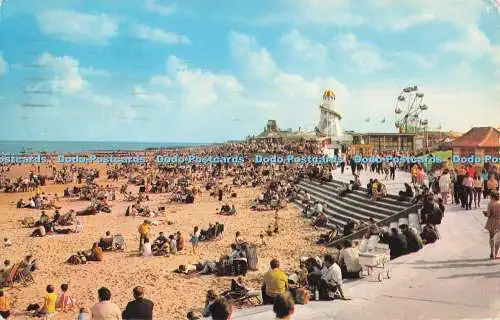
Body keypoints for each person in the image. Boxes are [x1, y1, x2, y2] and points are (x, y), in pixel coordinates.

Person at [484, 192, 500, 259]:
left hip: (491, 222)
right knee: (498, 239)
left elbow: (488, 214)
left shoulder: (490, 204)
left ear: (492, 197)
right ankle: (496, 254)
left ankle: (492, 252)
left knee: (491, 237)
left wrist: (485, 213)